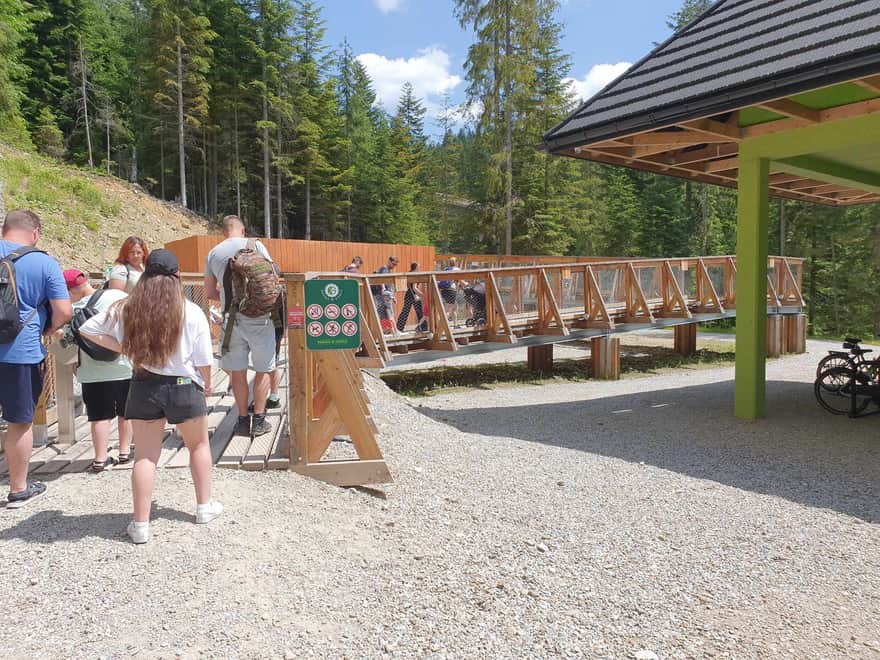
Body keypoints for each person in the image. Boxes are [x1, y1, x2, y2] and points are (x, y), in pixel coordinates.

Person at [80, 249, 222, 544]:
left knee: (145, 456)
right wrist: (206, 384)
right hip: (184, 384)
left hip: (144, 384)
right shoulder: (190, 310)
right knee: (197, 445)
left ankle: (141, 525)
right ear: (178, 277)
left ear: (144, 276)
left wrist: (126, 347)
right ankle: (204, 507)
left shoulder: (128, 308)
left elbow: (87, 327)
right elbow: (204, 359)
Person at [0, 209, 72, 508]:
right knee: (19, 422)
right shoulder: (42, 261)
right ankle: (18, 489)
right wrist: (47, 328)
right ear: (35, 232)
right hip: (20, 352)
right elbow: (64, 311)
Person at [203, 215, 275, 437]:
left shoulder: (214, 253)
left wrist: (228, 298)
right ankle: (260, 419)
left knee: (237, 371)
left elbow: (209, 293)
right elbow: (272, 279)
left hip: (231, 318)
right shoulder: (257, 245)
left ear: (223, 232)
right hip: (261, 318)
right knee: (263, 369)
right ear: (242, 230)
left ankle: (242, 420)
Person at [63, 269, 133, 471]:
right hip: (123, 365)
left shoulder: (71, 308)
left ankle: (100, 459)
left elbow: (66, 337)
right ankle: (124, 452)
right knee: (125, 412)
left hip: (91, 370)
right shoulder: (117, 296)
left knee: (98, 416)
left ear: (71, 290)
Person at [396, 262, 427, 332]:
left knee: (405, 312)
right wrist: (423, 295)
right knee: (419, 312)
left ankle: (399, 327)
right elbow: (414, 288)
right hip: (413, 295)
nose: (419, 268)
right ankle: (423, 327)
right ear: (416, 268)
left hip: (409, 294)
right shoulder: (414, 275)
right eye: (418, 267)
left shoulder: (409, 273)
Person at [370, 256, 398, 333]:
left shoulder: (386, 269)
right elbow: (381, 279)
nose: (394, 266)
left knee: (383, 313)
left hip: (383, 294)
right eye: (393, 264)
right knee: (389, 313)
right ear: (389, 261)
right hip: (384, 294)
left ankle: (386, 329)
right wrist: (383, 289)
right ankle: (394, 331)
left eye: (395, 265)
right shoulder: (384, 269)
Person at [438, 257, 462, 323]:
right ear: (456, 263)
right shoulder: (457, 269)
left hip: (443, 290)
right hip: (451, 290)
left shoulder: (445, 269)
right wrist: (465, 285)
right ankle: (442, 324)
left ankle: (455, 324)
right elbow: (460, 280)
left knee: (454, 307)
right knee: (448, 309)